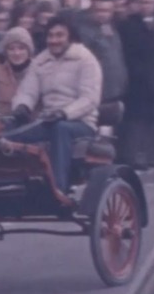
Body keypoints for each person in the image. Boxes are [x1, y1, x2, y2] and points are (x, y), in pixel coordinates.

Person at [6, 16, 104, 196]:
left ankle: (59, 188)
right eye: (50, 36)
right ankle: (12, 185)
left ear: (70, 37)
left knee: (61, 129)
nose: (54, 40)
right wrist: (22, 107)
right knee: (10, 132)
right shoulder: (41, 61)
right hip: (48, 120)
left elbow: (90, 99)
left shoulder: (86, 60)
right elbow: (28, 91)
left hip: (80, 122)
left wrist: (64, 113)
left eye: (59, 35)